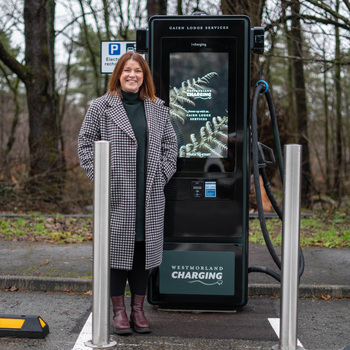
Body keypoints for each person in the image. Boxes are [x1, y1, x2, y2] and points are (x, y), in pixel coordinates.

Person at [78, 52, 178, 335]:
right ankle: (119, 312)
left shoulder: (158, 108)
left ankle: (138, 310)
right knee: (115, 254)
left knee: (142, 253)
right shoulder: (101, 107)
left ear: (144, 76)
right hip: (116, 195)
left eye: (138, 71)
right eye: (127, 70)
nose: (132, 75)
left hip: (149, 194)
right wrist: (101, 180)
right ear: (118, 75)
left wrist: (161, 175)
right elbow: (85, 144)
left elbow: (172, 145)